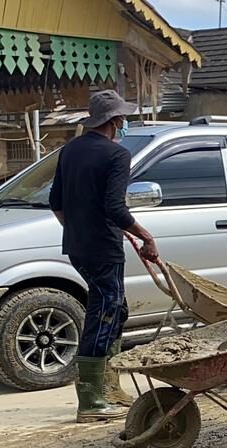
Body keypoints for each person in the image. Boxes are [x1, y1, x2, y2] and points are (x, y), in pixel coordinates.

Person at [49, 90, 158, 423]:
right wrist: (146, 236)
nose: (123, 124)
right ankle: (91, 400)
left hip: (78, 246)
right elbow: (115, 207)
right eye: (122, 119)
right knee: (104, 315)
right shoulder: (116, 155)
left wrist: (82, 227)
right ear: (115, 122)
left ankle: (108, 386)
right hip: (102, 249)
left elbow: (56, 202)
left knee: (117, 309)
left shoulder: (70, 150)